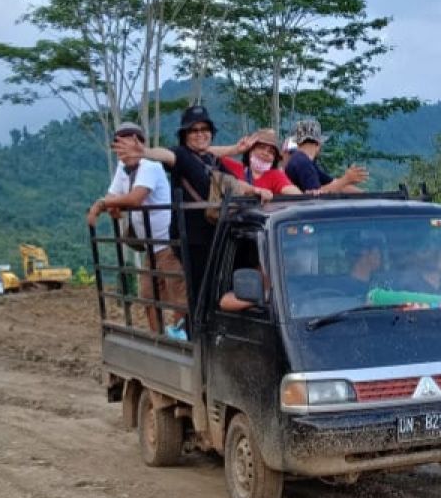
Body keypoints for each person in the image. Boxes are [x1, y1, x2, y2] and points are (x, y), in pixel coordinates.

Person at [132, 105, 269, 311]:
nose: (200, 134)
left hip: (215, 236)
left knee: (227, 279)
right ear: (185, 135)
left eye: (204, 129)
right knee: (200, 295)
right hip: (193, 241)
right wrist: (146, 151)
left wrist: (256, 190)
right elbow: (167, 155)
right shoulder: (182, 156)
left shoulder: (211, 159)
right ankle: (196, 334)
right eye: (193, 130)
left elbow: (233, 183)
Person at [85, 122, 185, 334]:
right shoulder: (123, 169)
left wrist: (103, 205)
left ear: (140, 145)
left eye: (129, 144)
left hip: (167, 244)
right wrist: (111, 204)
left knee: (179, 298)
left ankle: (182, 338)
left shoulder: (151, 167)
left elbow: (135, 198)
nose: (124, 150)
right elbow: (114, 195)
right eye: (119, 146)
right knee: (149, 296)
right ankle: (159, 338)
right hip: (150, 246)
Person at [283, 119, 368, 194]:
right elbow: (316, 194)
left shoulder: (305, 162)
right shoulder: (303, 163)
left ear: (298, 142)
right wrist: (346, 179)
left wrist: (365, 195)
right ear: (319, 143)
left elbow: (334, 184)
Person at [220, 129, 302, 195]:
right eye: (261, 147)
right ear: (250, 150)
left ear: (274, 159)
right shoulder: (232, 167)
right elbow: (207, 152)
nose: (265, 153)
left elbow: (297, 195)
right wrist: (235, 149)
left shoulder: (275, 175)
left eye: (271, 152)